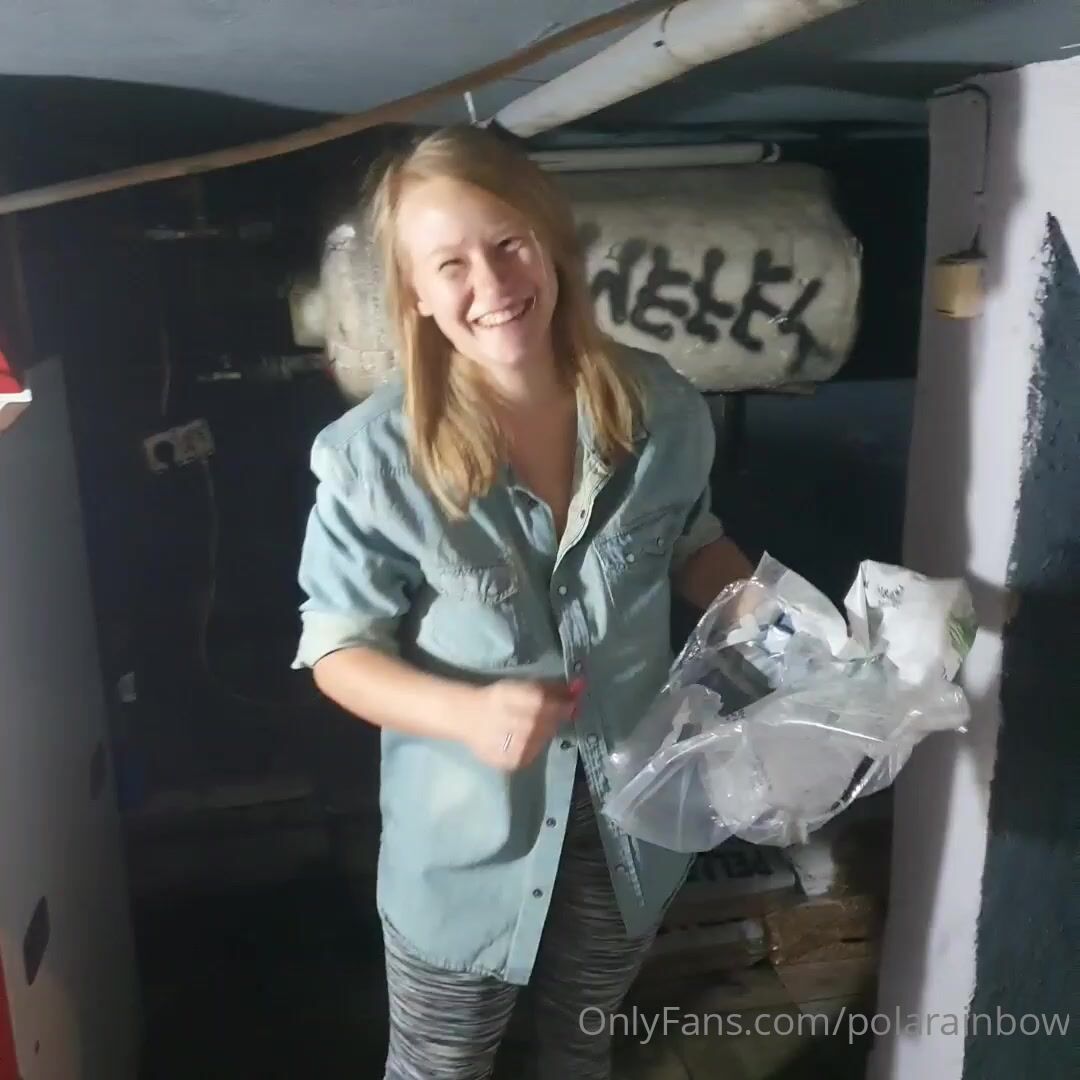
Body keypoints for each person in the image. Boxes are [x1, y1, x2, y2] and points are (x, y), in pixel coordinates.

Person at [291, 125, 754, 1080]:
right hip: (467, 850)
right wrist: (466, 714)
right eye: (451, 264)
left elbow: (695, 546)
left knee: (581, 1053)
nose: (493, 284)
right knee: (440, 1068)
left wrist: (781, 625)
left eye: (509, 243)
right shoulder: (369, 459)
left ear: (552, 244)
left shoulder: (664, 408)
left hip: (632, 819)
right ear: (415, 294)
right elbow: (337, 649)